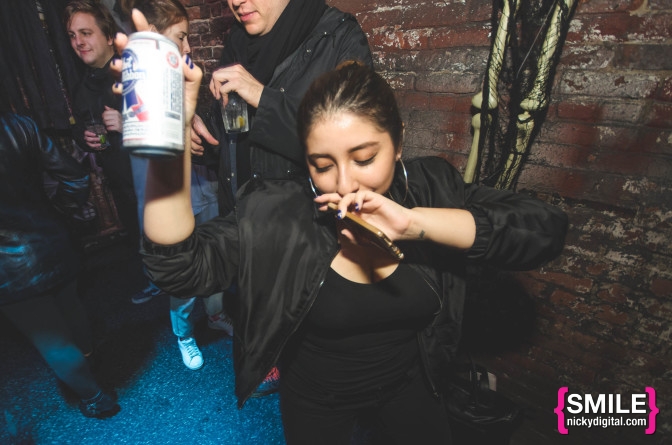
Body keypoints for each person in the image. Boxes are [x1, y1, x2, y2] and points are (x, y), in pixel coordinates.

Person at [124, 41, 568, 444]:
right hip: (317, 397)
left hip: (412, 383)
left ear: (398, 144)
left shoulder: (432, 187)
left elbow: (544, 230)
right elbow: (177, 267)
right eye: (322, 165)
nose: (345, 183)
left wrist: (415, 224)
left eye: (365, 158)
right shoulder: (278, 213)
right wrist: (165, 138)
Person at [190, 0, 374, 396]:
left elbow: (354, 140)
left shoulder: (336, 35)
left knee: (313, 356)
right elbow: (232, 131)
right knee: (260, 307)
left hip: (305, 228)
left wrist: (263, 96)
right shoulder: (238, 43)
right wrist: (201, 135)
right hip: (246, 214)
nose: (237, 1)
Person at [127, 0, 233, 371]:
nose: (188, 47)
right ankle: (184, 335)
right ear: (154, 37)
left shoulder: (189, 78)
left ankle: (216, 315)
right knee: (182, 276)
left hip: (204, 187)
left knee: (213, 260)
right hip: (173, 199)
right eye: (181, 37)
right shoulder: (140, 88)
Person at [0, 111, 119, 419]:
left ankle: (96, 399)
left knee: (51, 339)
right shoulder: (19, 126)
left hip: (8, 268)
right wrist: (60, 213)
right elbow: (75, 176)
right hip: (52, 241)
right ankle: (90, 360)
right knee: (72, 307)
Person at [65, 0, 163, 304]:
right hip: (119, 180)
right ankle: (156, 282)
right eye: (72, 36)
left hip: (154, 178)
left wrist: (127, 122)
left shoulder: (133, 71)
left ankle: (193, 297)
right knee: (139, 239)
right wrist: (83, 138)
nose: (78, 42)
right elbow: (81, 126)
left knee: (169, 240)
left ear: (109, 36)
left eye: (86, 33)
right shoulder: (82, 87)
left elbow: (169, 125)